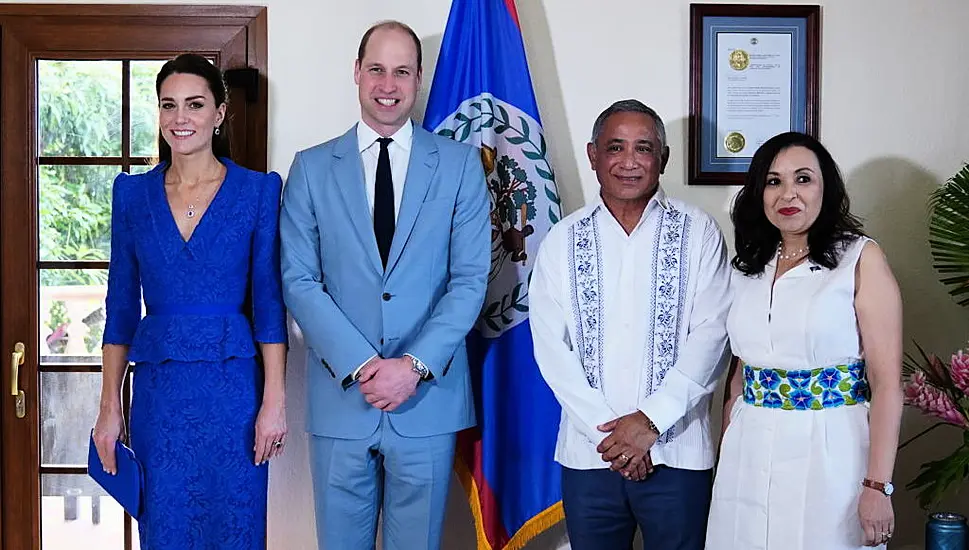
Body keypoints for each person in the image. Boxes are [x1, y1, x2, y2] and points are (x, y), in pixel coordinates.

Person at [279, 20, 490, 550]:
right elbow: (299, 280)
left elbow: (469, 280)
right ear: (356, 73)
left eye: (402, 71)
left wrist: (411, 367)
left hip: (427, 400)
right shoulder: (310, 168)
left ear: (419, 79)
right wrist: (365, 365)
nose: (388, 84)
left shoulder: (462, 166)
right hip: (340, 398)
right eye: (376, 69)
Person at [92, 53, 288, 550]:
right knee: (166, 526)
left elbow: (269, 307)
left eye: (195, 104)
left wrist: (274, 402)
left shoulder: (258, 192)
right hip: (160, 395)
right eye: (169, 105)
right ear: (158, 114)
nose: (181, 118)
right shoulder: (132, 196)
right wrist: (109, 407)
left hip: (235, 395)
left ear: (219, 113)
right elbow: (119, 312)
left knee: (236, 527)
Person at [528, 99, 732, 550]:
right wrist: (614, 435)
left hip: (677, 456)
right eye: (615, 147)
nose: (628, 161)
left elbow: (712, 337)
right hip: (590, 457)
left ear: (663, 158)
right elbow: (549, 346)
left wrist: (649, 423)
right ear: (593, 155)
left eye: (643, 148)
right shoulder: (562, 239)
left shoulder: (699, 233)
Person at [705, 131, 903, 549]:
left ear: (825, 187)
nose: (787, 194)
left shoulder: (860, 258)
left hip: (832, 447)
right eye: (773, 181)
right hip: (750, 446)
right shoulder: (748, 266)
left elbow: (887, 385)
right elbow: (741, 367)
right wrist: (728, 441)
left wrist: (877, 485)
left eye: (803, 179)